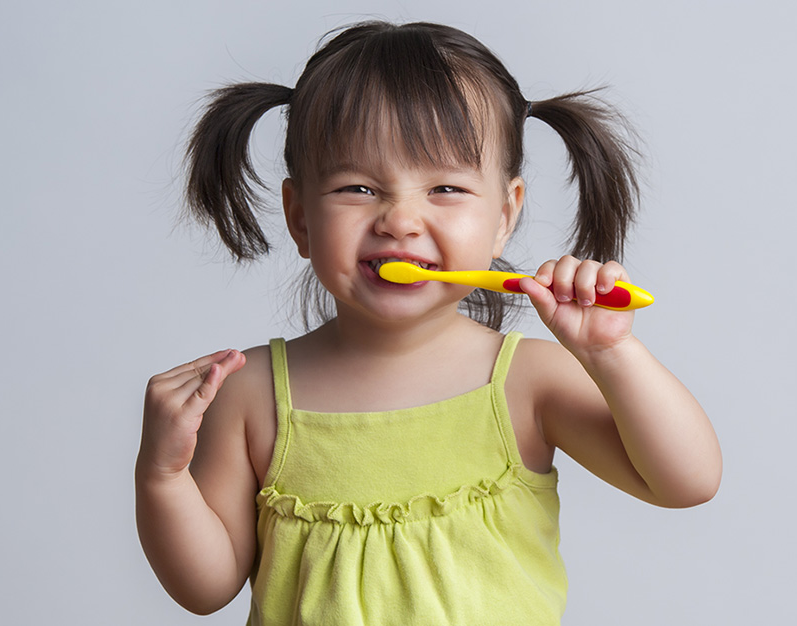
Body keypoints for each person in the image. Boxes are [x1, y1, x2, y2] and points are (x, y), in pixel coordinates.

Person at [136, 20, 721, 625]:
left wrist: (611, 354)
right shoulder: (251, 393)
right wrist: (162, 474)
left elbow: (688, 481)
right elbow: (204, 588)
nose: (400, 219)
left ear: (504, 215)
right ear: (300, 218)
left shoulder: (527, 382)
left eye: (444, 187)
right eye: (357, 187)